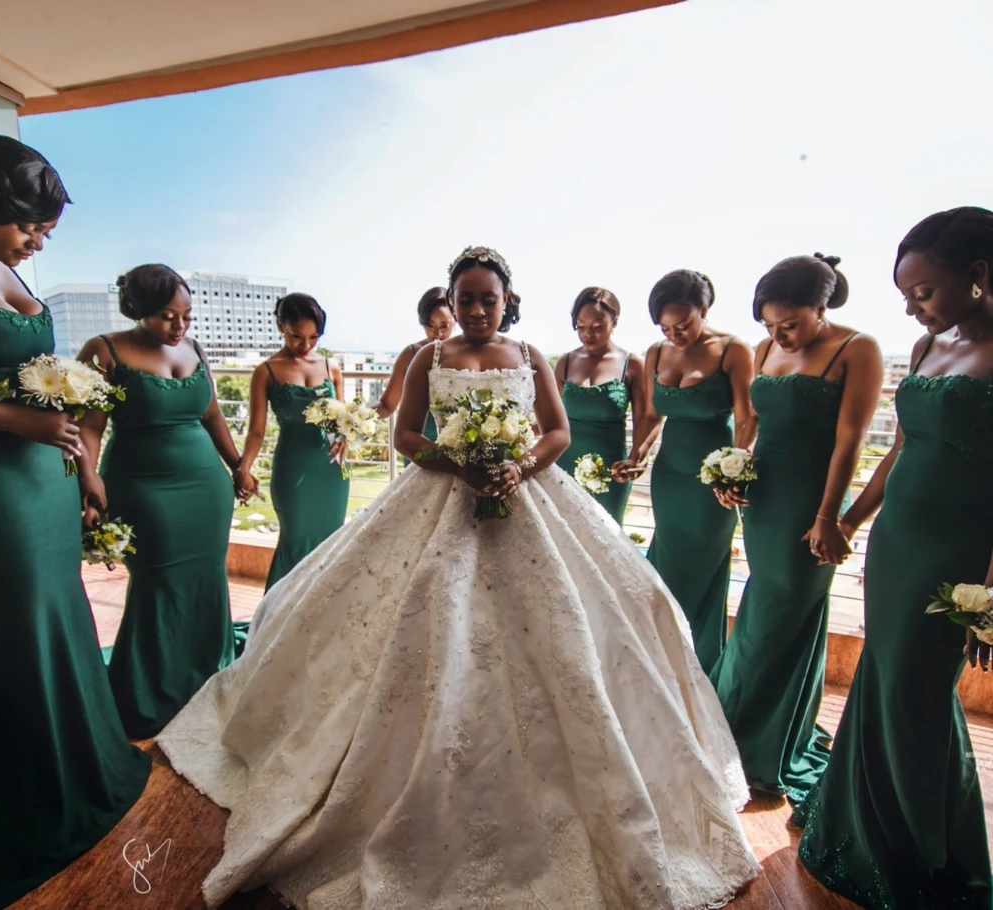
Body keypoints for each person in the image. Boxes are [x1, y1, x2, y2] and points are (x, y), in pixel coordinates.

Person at [157, 246, 760, 909]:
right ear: (452, 298)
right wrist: (459, 459)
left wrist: (516, 467)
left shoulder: (530, 356)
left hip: (524, 496)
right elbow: (405, 437)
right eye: (466, 298)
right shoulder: (428, 358)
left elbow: (556, 432)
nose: (476, 310)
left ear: (508, 302)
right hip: (440, 495)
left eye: (488, 299)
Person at [794, 208, 993, 908]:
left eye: (924, 292)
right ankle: (876, 828)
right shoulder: (926, 347)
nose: (911, 307)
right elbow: (903, 447)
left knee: (914, 692)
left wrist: (990, 591)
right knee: (887, 680)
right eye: (905, 294)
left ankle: (925, 851)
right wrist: (848, 517)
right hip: (897, 540)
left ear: (978, 276)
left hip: (962, 552)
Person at [0, 136, 150, 907]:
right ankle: (32, 792)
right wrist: (9, 419)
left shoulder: (10, 273)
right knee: (18, 624)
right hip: (0, 486)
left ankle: (81, 763)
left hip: (45, 481)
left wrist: (80, 467)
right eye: (31, 220)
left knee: (57, 612)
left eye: (47, 225)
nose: (42, 237)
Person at [709, 254, 882, 804]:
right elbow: (753, 425)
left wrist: (830, 517)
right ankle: (732, 727)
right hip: (762, 498)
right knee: (761, 609)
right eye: (768, 324)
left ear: (821, 308)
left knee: (785, 614)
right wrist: (731, 471)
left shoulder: (859, 349)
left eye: (790, 324)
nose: (777, 335)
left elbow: (850, 440)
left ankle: (764, 741)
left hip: (812, 501)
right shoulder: (763, 350)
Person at [78, 264, 255, 739]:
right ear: (137, 311)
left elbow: (212, 412)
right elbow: (89, 426)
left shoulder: (195, 348)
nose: (179, 327)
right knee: (160, 581)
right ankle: (150, 690)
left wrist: (238, 465)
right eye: (166, 317)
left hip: (205, 486)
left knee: (205, 577)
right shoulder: (105, 350)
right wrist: (87, 478)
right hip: (142, 485)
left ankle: (208, 673)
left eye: (186, 315)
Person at [620, 270, 755, 674]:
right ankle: (659, 657)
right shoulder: (656, 354)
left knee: (703, 564)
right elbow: (650, 415)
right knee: (667, 561)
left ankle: (699, 665)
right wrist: (636, 456)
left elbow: (749, 419)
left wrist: (736, 471)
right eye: (665, 327)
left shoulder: (734, 350)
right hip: (670, 474)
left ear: (705, 310)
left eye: (683, 325)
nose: (675, 335)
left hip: (712, 479)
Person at [237, 293, 348, 591]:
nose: (306, 345)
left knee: (331, 541)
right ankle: (279, 622)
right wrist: (243, 468)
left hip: (331, 470)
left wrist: (345, 438)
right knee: (295, 538)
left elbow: (343, 420)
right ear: (280, 326)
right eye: (296, 336)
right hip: (293, 466)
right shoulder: (266, 371)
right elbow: (256, 431)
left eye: (314, 337)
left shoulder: (331, 367)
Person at [554, 286, 651, 526]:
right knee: (565, 535)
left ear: (614, 321)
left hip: (612, 469)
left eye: (598, 326)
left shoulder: (633, 364)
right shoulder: (565, 362)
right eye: (581, 326)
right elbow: (550, 420)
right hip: (564, 465)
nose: (589, 334)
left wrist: (637, 459)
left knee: (607, 536)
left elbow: (646, 419)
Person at [373, 286, 455, 465]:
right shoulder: (411, 354)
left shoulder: (467, 354)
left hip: (457, 447)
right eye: (430, 326)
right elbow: (387, 405)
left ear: (456, 319)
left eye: (444, 326)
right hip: (418, 445)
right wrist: (354, 417)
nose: (438, 334)